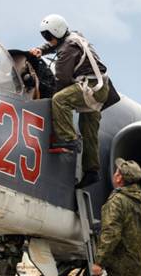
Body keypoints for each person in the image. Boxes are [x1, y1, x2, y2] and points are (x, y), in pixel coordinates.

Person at [30, 14, 119, 188]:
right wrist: (42, 49)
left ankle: (68, 139)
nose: (47, 39)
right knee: (89, 130)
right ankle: (92, 171)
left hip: (90, 88)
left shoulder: (67, 50)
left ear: (56, 33)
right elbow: (56, 44)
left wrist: (49, 95)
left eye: (48, 36)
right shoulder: (74, 36)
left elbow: (62, 79)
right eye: (44, 36)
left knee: (59, 100)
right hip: (101, 87)